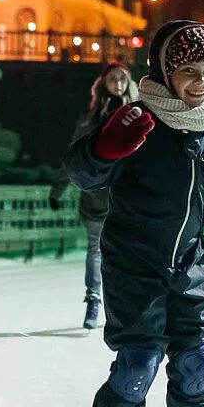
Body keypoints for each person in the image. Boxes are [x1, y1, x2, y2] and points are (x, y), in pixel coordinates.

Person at [64, 20, 204, 407]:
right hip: (134, 266)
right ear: (166, 73)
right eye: (189, 69)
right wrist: (105, 151)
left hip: (189, 265)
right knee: (137, 366)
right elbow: (81, 172)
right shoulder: (139, 118)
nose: (201, 80)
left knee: (195, 364)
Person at [49, 63, 138, 329]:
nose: (118, 82)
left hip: (128, 198)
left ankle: (124, 306)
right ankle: (93, 300)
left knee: (127, 254)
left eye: (122, 77)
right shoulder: (91, 116)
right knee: (95, 250)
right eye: (113, 77)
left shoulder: (138, 112)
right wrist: (58, 190)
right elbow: (74, 155)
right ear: (104, 82)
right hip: (97, 196)